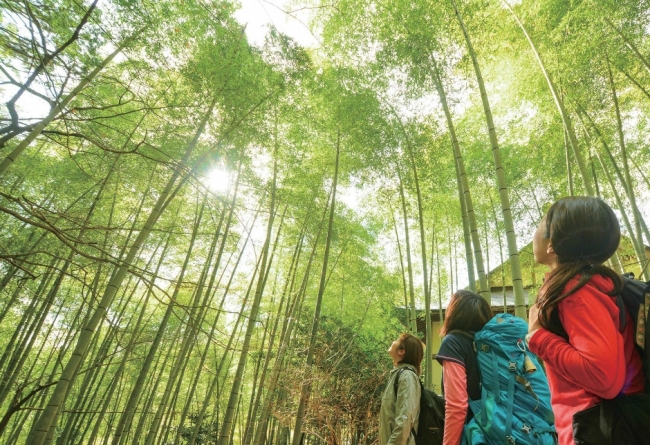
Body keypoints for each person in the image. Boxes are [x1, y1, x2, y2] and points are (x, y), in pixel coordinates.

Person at [527, 196, 645, 445]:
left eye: (539, 224)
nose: (534, 232)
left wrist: (538, 337)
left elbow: (603, 376)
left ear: (552, 244)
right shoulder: (585, 284)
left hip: (598, 428)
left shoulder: (579, 288)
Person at [435, 290, 493, 445]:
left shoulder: (454, 343)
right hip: (502, 430)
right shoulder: (492, 345)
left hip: (475, 435)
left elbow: (456, 405)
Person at [379, 333, 424, 445]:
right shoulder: (399, 374)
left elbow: (405, 418)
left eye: (398, 340)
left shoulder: (407, 376)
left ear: (401, 351)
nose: (394, 341)